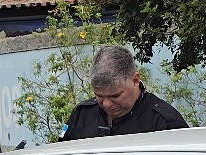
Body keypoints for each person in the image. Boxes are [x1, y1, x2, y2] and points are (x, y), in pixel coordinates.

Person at [59, 45, 189, 141]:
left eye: (115, 96)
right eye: (99, 96)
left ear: (135, 80)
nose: (107, 104)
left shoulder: (165, 124)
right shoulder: (82, 115)